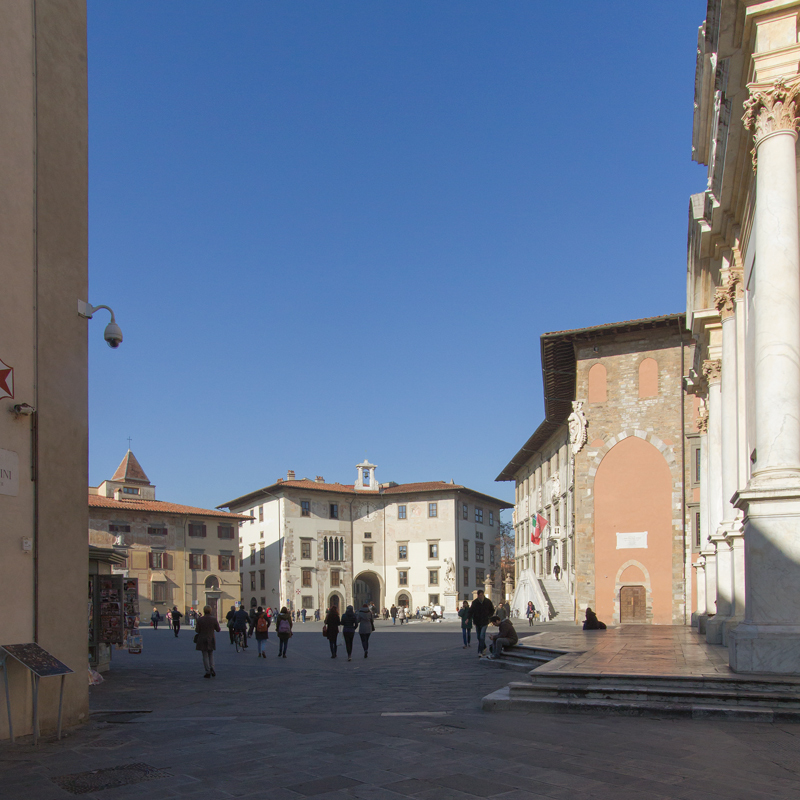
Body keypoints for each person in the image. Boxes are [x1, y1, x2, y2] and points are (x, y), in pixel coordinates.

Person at [195, 605, 221, 678]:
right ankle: (212, 667)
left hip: (202, 638)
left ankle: (207, 670)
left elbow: (197, 630)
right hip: (211, 638)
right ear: (210, 611)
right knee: (211, 654)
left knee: (205, 655)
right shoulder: (214, 619)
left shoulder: (200, 620)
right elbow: (218, 630)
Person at [470, 589, 495, 658]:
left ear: (483, 595)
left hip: (485, 621)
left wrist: (489, 616)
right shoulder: (475, 602)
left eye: (481, 595)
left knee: (482, 636)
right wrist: (468, 618)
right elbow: (471, 611)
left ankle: (480, 651)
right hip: (477, 622)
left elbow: (492, 610)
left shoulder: (488, 602)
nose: (480, 597)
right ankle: (484, 647)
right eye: (479, 595)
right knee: (478, 637)